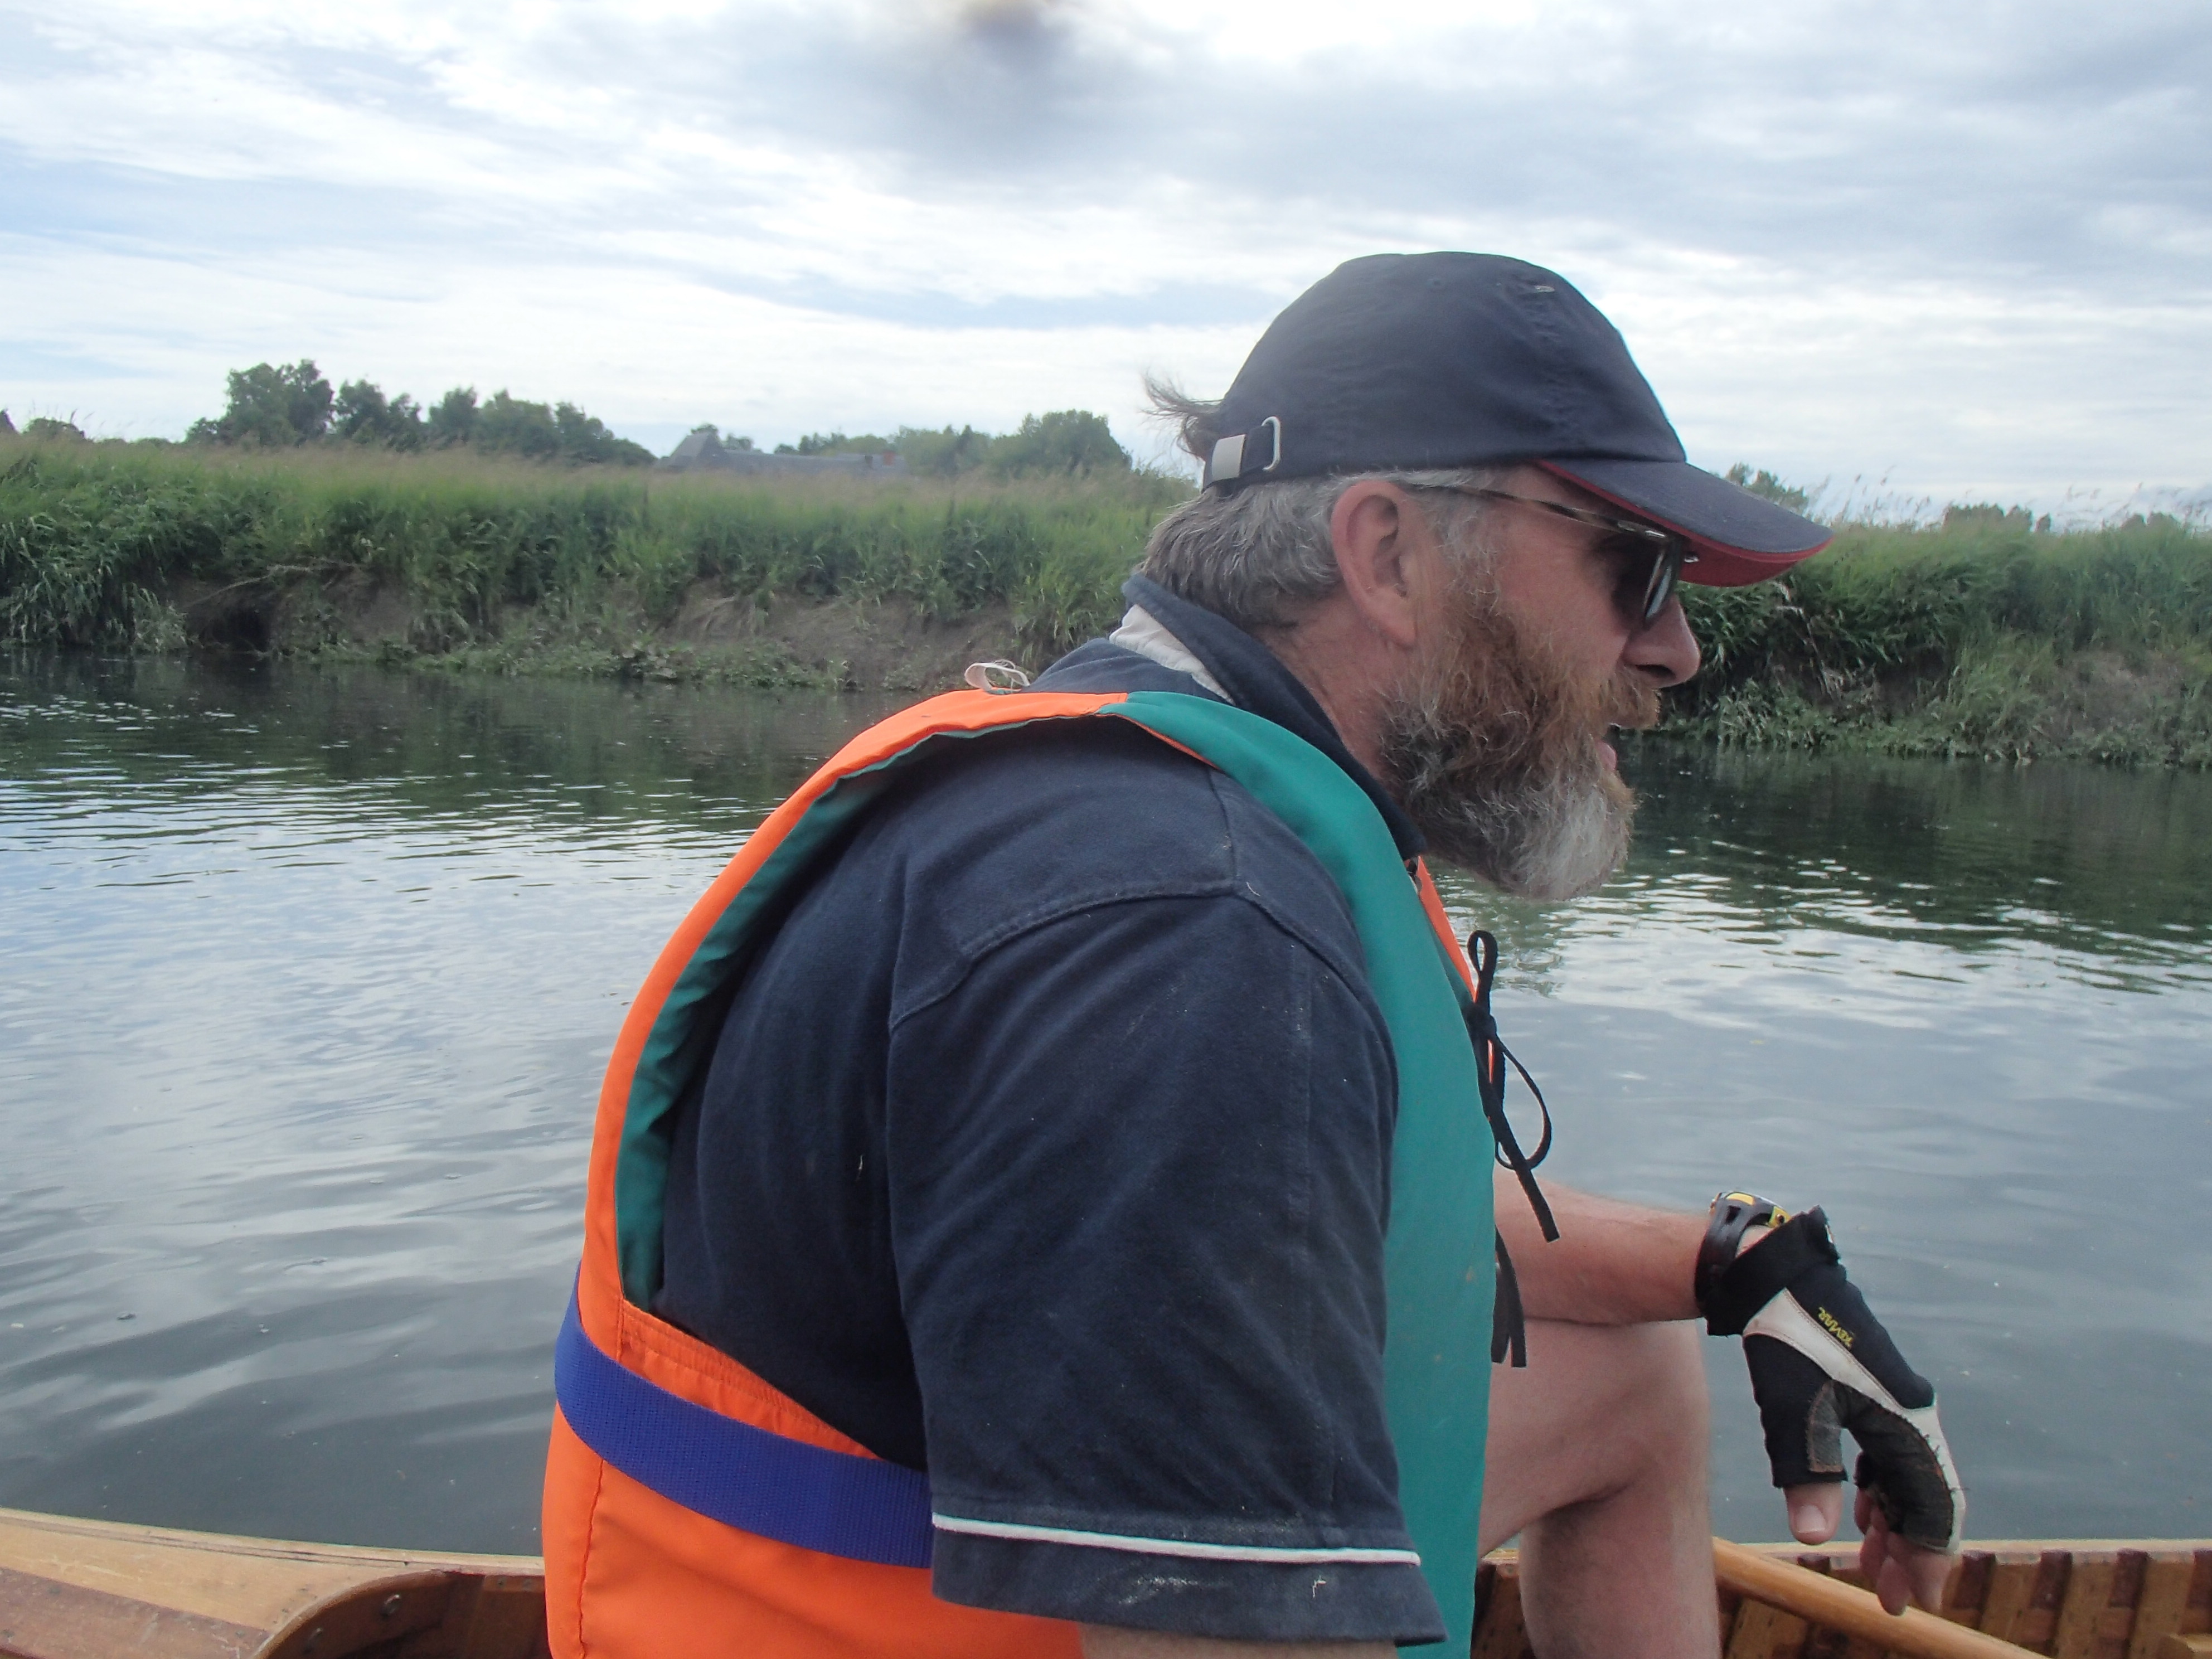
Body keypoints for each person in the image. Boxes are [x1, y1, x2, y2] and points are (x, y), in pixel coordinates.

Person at [542, 252, 1966, 1657]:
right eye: (1634, 567)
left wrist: (1736, 1264)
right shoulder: (1183, 929)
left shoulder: (1157, 792)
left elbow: (1285, 1203)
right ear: (1387, 555)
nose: (1676, 649)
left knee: (1628, 1381)